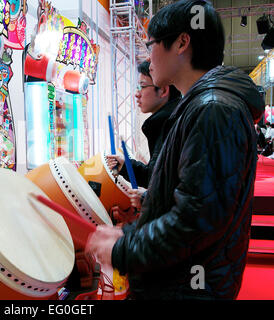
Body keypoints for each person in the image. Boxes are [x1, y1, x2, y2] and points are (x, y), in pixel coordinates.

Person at [85, 0, 264, 299]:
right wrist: (136, 225)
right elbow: (192, 201)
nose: (147, 54)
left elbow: (197, 221)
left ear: (182, 42)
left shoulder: (213, 110)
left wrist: (124, 247)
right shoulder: (201, 106)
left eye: (151, 43)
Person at [106, 61, 181, 210]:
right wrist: (126, 165)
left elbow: (176, 188)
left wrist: (148, 197)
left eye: (142, 86)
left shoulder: (172, 126)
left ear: (163, 90)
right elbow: (155, 176)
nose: (137, 93)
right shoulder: (166, 122)